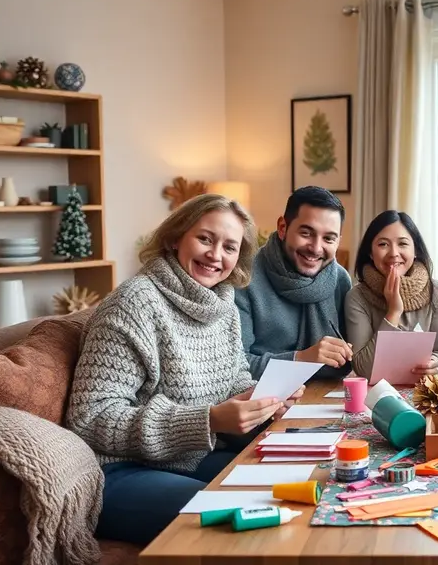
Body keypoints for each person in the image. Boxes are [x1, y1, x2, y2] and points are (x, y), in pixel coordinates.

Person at [65, 194, 305, 545]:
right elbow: (91, 419)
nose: (216, 255)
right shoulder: (134, 305)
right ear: (176, 237)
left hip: (190, 459)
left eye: (229, 247)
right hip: (122, 471)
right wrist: (209, 421)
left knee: (288, 488)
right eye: (205, 239)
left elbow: (234, 379)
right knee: (243, 517)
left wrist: (263, 400)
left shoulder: (222, 304)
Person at [235, 185, 353, 380]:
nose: (316, 248)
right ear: (283, 228)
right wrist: (301, 359)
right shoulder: (244, 278)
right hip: (263, 400)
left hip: (327, 396)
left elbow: (355, 356)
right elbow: (236, 365)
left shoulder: (341, 280)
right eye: (306, 233)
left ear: (338, 241)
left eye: (328, 238)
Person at [345, 210, 438, 380]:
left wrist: (435, 363)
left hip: (425, 393)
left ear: (415, 250)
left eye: (402, 244)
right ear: (370, 253)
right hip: (374, 395)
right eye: (383, 244)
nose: (394, 253)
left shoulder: (437, 292)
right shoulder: (357, 297)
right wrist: (393, 313)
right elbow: (363, 369)